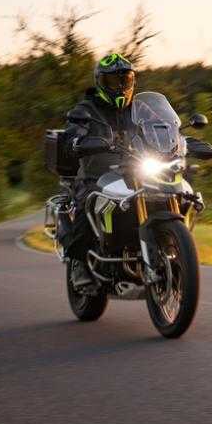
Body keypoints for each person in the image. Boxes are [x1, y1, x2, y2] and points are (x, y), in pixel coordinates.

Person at [60, 52, 136, 289]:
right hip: (97, 173)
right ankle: (79, 263)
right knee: (88, 201)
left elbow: (160, 127)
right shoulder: (87, 108)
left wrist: (181, 140)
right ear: (101, 82)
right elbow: (73, 132)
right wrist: (77, 140)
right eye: (114, 81)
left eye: (126, 80)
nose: (121, 86)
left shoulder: (137, 109)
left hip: (134, 172)